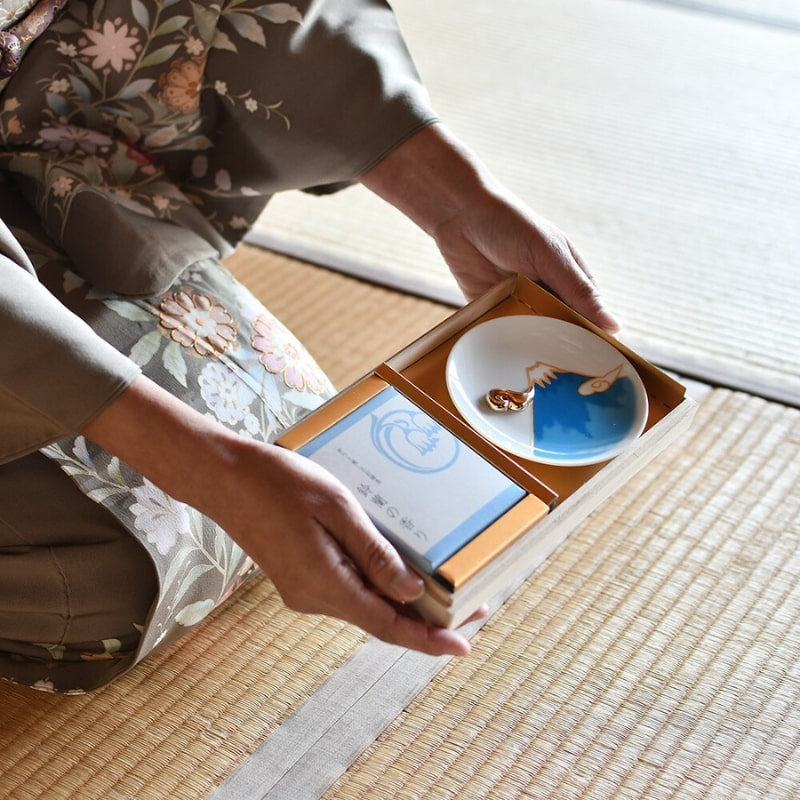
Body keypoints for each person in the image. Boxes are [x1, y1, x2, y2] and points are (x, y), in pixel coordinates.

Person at [0, 0, 619, 692]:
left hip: (42, 133)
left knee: (300, 431)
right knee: (103, 583)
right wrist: (208, 466)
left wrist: (456, 199)